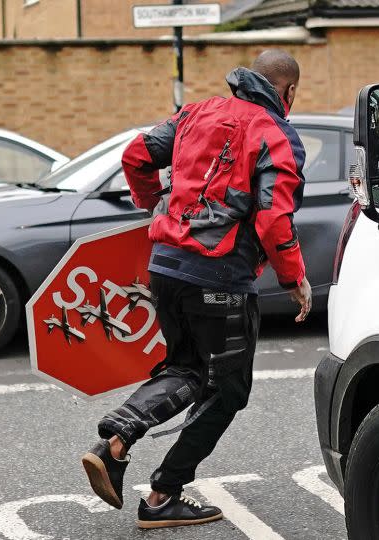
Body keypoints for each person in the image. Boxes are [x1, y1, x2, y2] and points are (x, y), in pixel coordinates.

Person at [81, 49, 312, 530]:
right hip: (220, 276)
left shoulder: (195, 112)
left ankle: (117, 441)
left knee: (187, 368)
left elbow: (137, 156)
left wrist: (154, 207)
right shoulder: (276, 133)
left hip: (165, 266)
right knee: (228, 392)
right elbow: (273, 218)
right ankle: (164, 493)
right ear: (287, 92)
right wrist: (294, 279)